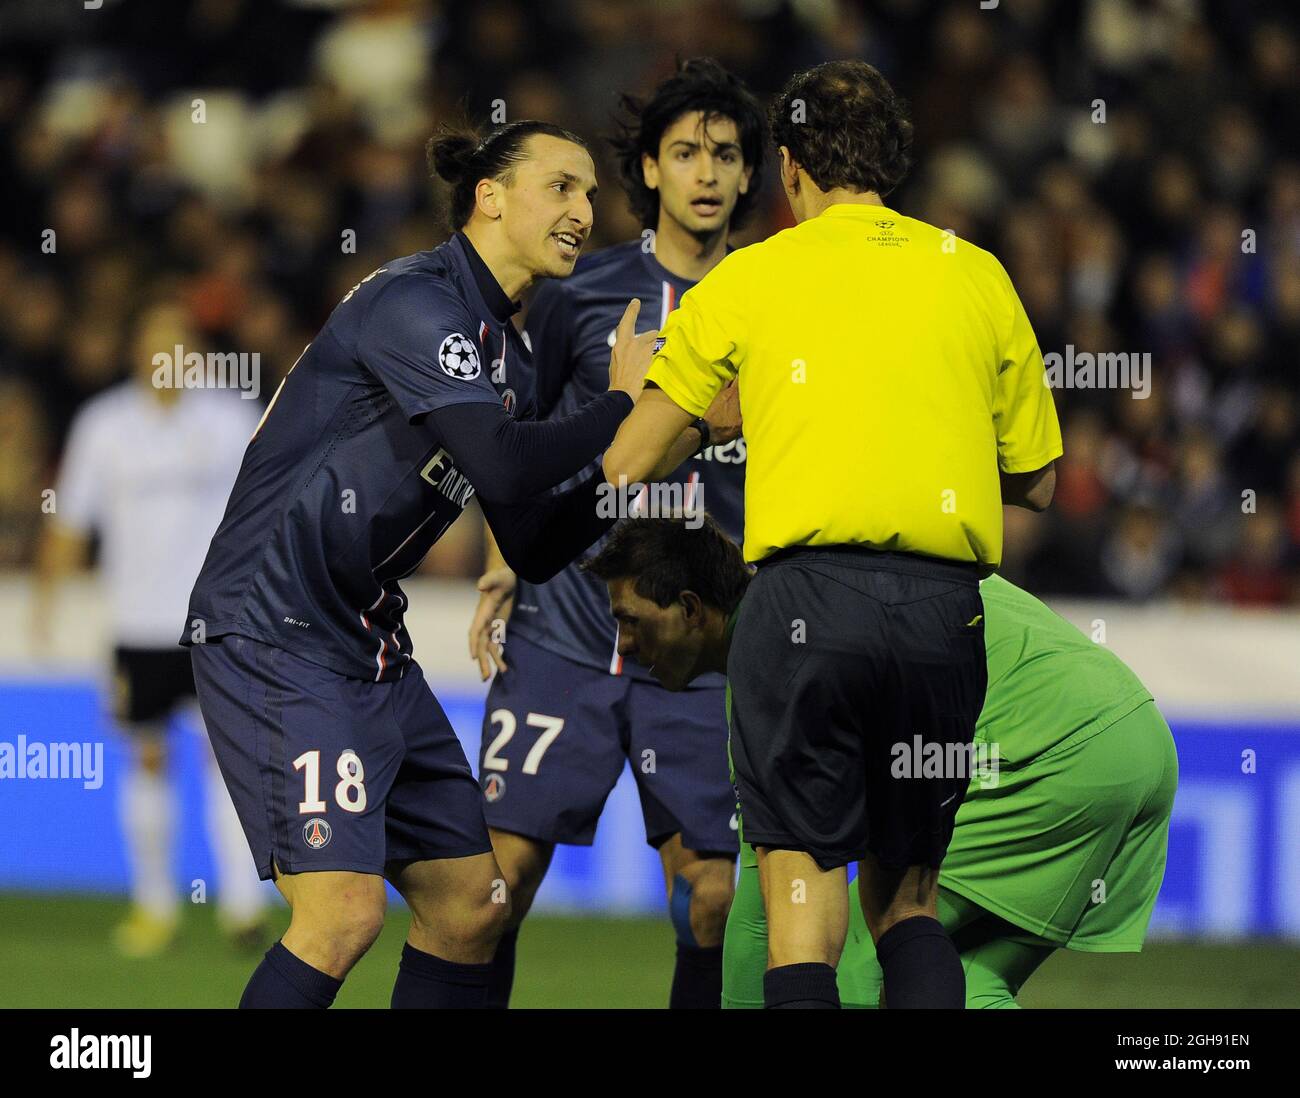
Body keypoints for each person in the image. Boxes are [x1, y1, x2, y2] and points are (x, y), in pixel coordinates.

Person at [603, 61, 1063, 1008]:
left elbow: (626, 468)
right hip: (943, 616)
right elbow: (1042, 481)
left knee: (803, 918)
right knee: (911, 907)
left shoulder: (753, 274)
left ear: (792, 172)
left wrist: (686, 410)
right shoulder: (974, 274)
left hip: (805, 608)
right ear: (890, 162)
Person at [183, 119, 656, 1008]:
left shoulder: (507, 356)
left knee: (473, 906)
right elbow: (512, 461)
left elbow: (534, 541)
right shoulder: (417, 302)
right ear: (490, 196)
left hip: (363, 640)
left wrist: (640, 465)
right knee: (342, 916)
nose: (586, 210)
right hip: (276, 626)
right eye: (562, 186)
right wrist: (625, 403)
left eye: (592, 193)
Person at [582, 515, 1178, 1008]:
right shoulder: (819, 580)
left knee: (860, 958)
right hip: (1134, 740)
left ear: (690, 607)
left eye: (629, 621)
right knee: (962, 983)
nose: (624, 646)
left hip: (1052, 749)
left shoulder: (772, 642)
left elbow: (766, 904)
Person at [465, 58, 764, 1010]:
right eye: (686, 153)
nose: (707, 173)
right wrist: (500, 565)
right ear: (648, 169)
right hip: (567, 625)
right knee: (491, 890)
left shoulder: (777, 303)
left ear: (752, 174)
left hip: (700, 644)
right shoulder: (578, 295)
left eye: (725, 154)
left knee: (710, 893)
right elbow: (514, 438)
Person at [34, 300, 268, 957]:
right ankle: (155, 908)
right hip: (136, 623)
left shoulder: (230, 419)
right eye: (155, 341)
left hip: (219, 625)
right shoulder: (104, 425)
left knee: (228, 762)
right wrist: (46, 602)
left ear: (194, 350)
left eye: (179, 342)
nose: (168, 355)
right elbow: (69, 520)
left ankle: (243, 910)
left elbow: (269, 508)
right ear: (138, 351)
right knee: (147, 756)